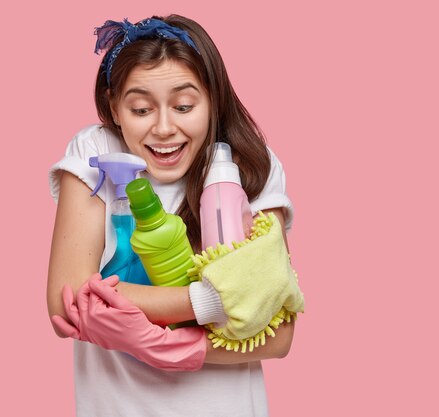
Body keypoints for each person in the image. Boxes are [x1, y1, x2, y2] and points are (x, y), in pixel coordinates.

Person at [47, 15, 297, 416]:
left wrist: (169, 346)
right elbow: (69, 300)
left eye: (184, 106)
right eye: (141, 109)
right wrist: (209, 303)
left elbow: (278, 333)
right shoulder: (96, 153)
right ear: (114, 106)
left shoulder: (250, 168)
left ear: (213, 100)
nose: (164, 128)